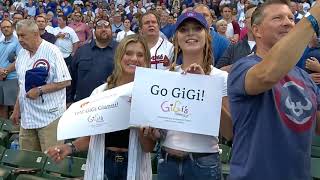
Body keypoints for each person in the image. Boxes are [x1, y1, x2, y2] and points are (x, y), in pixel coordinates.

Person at [227, 0, 320, 179]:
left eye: (291, 18)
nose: (288, 22)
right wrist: (314, 16)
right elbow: (268, 74)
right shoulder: (243, 67)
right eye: (278, 18)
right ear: (257, 30)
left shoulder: (305, 78)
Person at [46, 34, 152, 180]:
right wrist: (69, 147)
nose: (134, 58)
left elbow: (148, 147)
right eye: (128, 53)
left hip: (134, 165)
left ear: (146, 61)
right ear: (119, 56)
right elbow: (92, 136)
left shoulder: (149, 95)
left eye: (140, 55)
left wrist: (141, 119)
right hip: (102, 163)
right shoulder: (100, 92)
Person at [145, 11, 233, 180]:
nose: (190, 33)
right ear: (176, 37)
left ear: (206, 36)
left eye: (197, 28)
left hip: (204, 164)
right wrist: (151, 131)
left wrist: (204, 87)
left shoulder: (220, 78)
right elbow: (162, 131)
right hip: (167, 161)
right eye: (184, 29)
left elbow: (229, 132)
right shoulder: (166, 77)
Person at [11, 19, 71, 152]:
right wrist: (16, 110)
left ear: (35, 33)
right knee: (27, 161)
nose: (20, 39)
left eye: (23, 35)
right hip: (27, 118)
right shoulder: (22, 54)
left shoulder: (52, 51)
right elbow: (22, 85)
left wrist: (40, 90)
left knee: (51, 162)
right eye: (18, 35)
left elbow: (65, 81)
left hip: (49, 118)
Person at [68, 19, 117, 104]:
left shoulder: (121, 50)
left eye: (106, 27)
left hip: (113, 104)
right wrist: (69, 100)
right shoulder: (81, 51)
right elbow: (72, 77)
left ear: (111, 31)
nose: (103, 29)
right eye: (99, 27)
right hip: (84, 104)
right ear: (94, 31)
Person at [216, 6, 257, 72]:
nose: (257, 20)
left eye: (261, 17)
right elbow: (218, 70)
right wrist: (241, 64)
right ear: (245, 22)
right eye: (254, 16)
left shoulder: (271, 46)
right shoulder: (234, 47)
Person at [0, 20, 21, 119]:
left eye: (8, 26)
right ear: (1, 29)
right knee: (2, 106)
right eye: (3, 27)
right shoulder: (0, 43)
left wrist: (5, 71)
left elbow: (19, 61)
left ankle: (16, 130)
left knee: (14, 106)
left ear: (12, 28)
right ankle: (4, 129)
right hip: (1, 78)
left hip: (12, 78)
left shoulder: (18, 43)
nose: (6, 28)